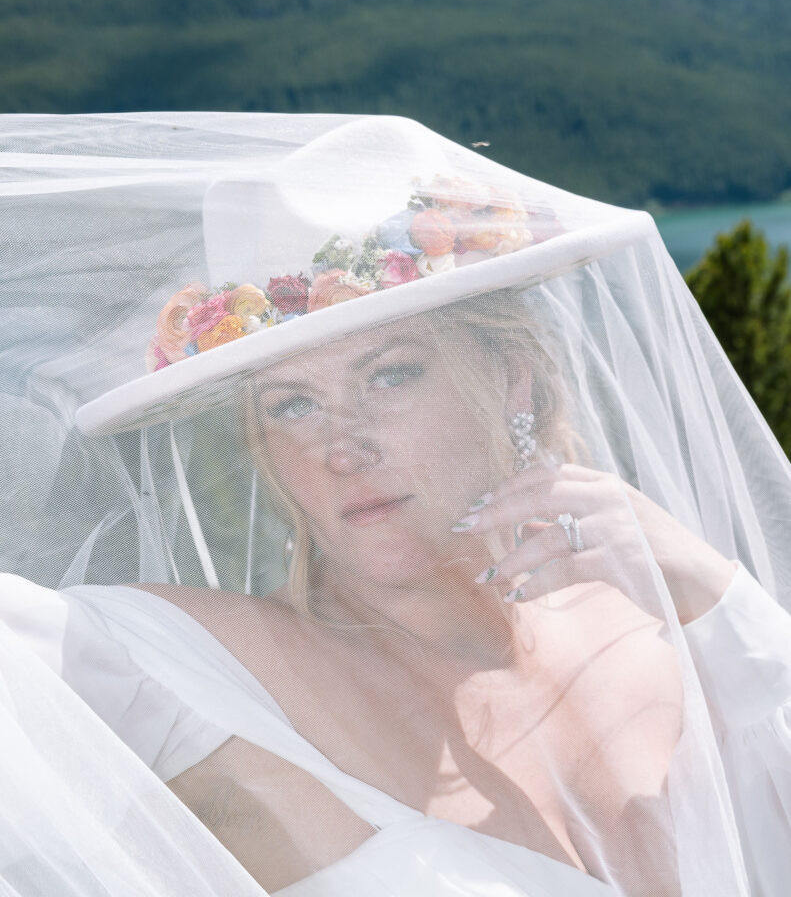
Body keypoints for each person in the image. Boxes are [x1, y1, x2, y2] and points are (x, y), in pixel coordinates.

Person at [1, 112, 791, 897]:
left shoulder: (686, 651)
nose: (341, 451)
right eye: (293, 405)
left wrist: (717, 599)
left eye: (391, 376)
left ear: (512, 376)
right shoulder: (178, 666)